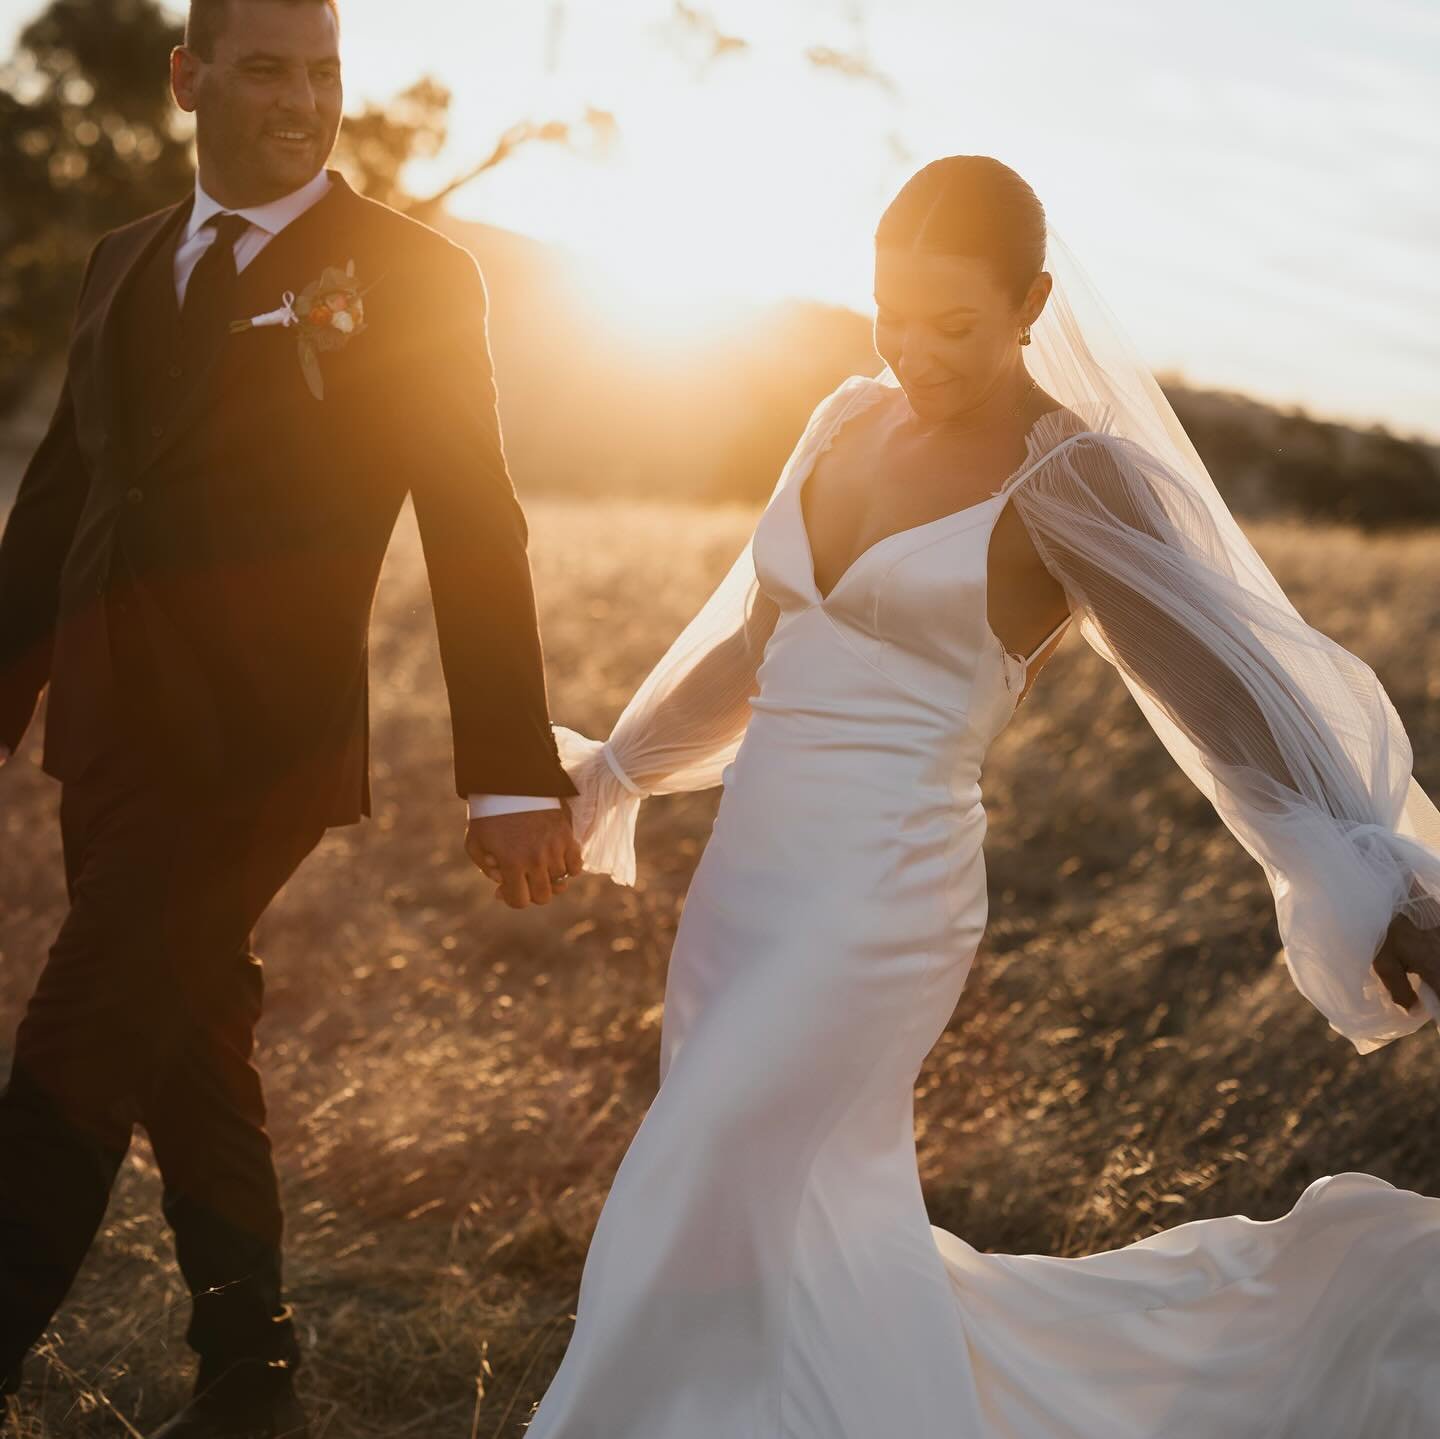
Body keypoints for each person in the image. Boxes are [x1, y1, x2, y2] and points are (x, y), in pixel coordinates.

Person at [530, 156, 1440, 1437]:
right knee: (786, 1206)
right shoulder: (843, 418)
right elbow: (753, 646)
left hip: (881, 898)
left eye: (954, 325)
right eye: (891, 316)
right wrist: (615, 768)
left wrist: (1371, 867)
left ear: (1033, 302)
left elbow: (1227, 701)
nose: (915, 353)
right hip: (750, 881)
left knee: (703, 1158)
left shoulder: (1071, 476)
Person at [0, 1, 580, 1434]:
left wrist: (508, 767)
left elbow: (472, 523)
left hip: (258, 747)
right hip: (110, 727)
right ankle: (251, 1378)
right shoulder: (123, 260)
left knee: (75, 1042)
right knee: (186, 1035)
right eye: (268, 69)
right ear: (190, 78)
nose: (304, 101)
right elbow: (66, 497)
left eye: (324, 72)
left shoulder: (411, 277)